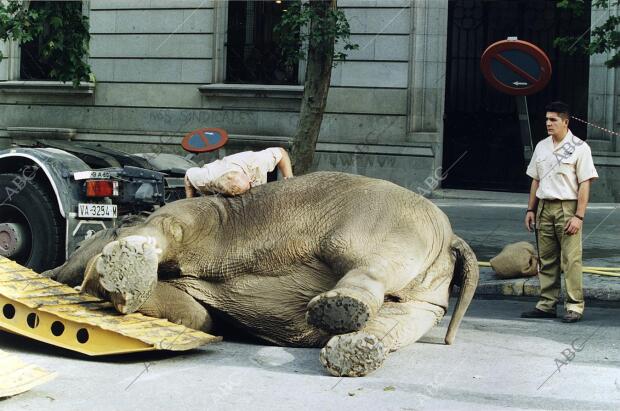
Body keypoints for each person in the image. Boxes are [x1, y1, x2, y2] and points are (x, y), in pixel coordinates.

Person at [521, 101, 598, 323]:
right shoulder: (542, 146)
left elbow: (585, 184)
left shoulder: (579, 147)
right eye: (546, 119)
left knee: (571, 259)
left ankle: (574, 306)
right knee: (546, 259)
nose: (548, 123)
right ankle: (546, 304)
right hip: (544, 206)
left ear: (566, 121)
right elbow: (535, 179)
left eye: (553, 119)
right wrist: (530, 209)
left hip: (568, 207)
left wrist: (579, 216)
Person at [184, 147, 293, 197]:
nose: (251, 180)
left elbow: (281, 152)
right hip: (213, 189)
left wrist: (289, 177)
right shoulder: (206, 178)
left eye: (248, 180)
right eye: (249, 184)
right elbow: (188, 176)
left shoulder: (255, 161)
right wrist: (189, 200)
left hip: (246, 164)